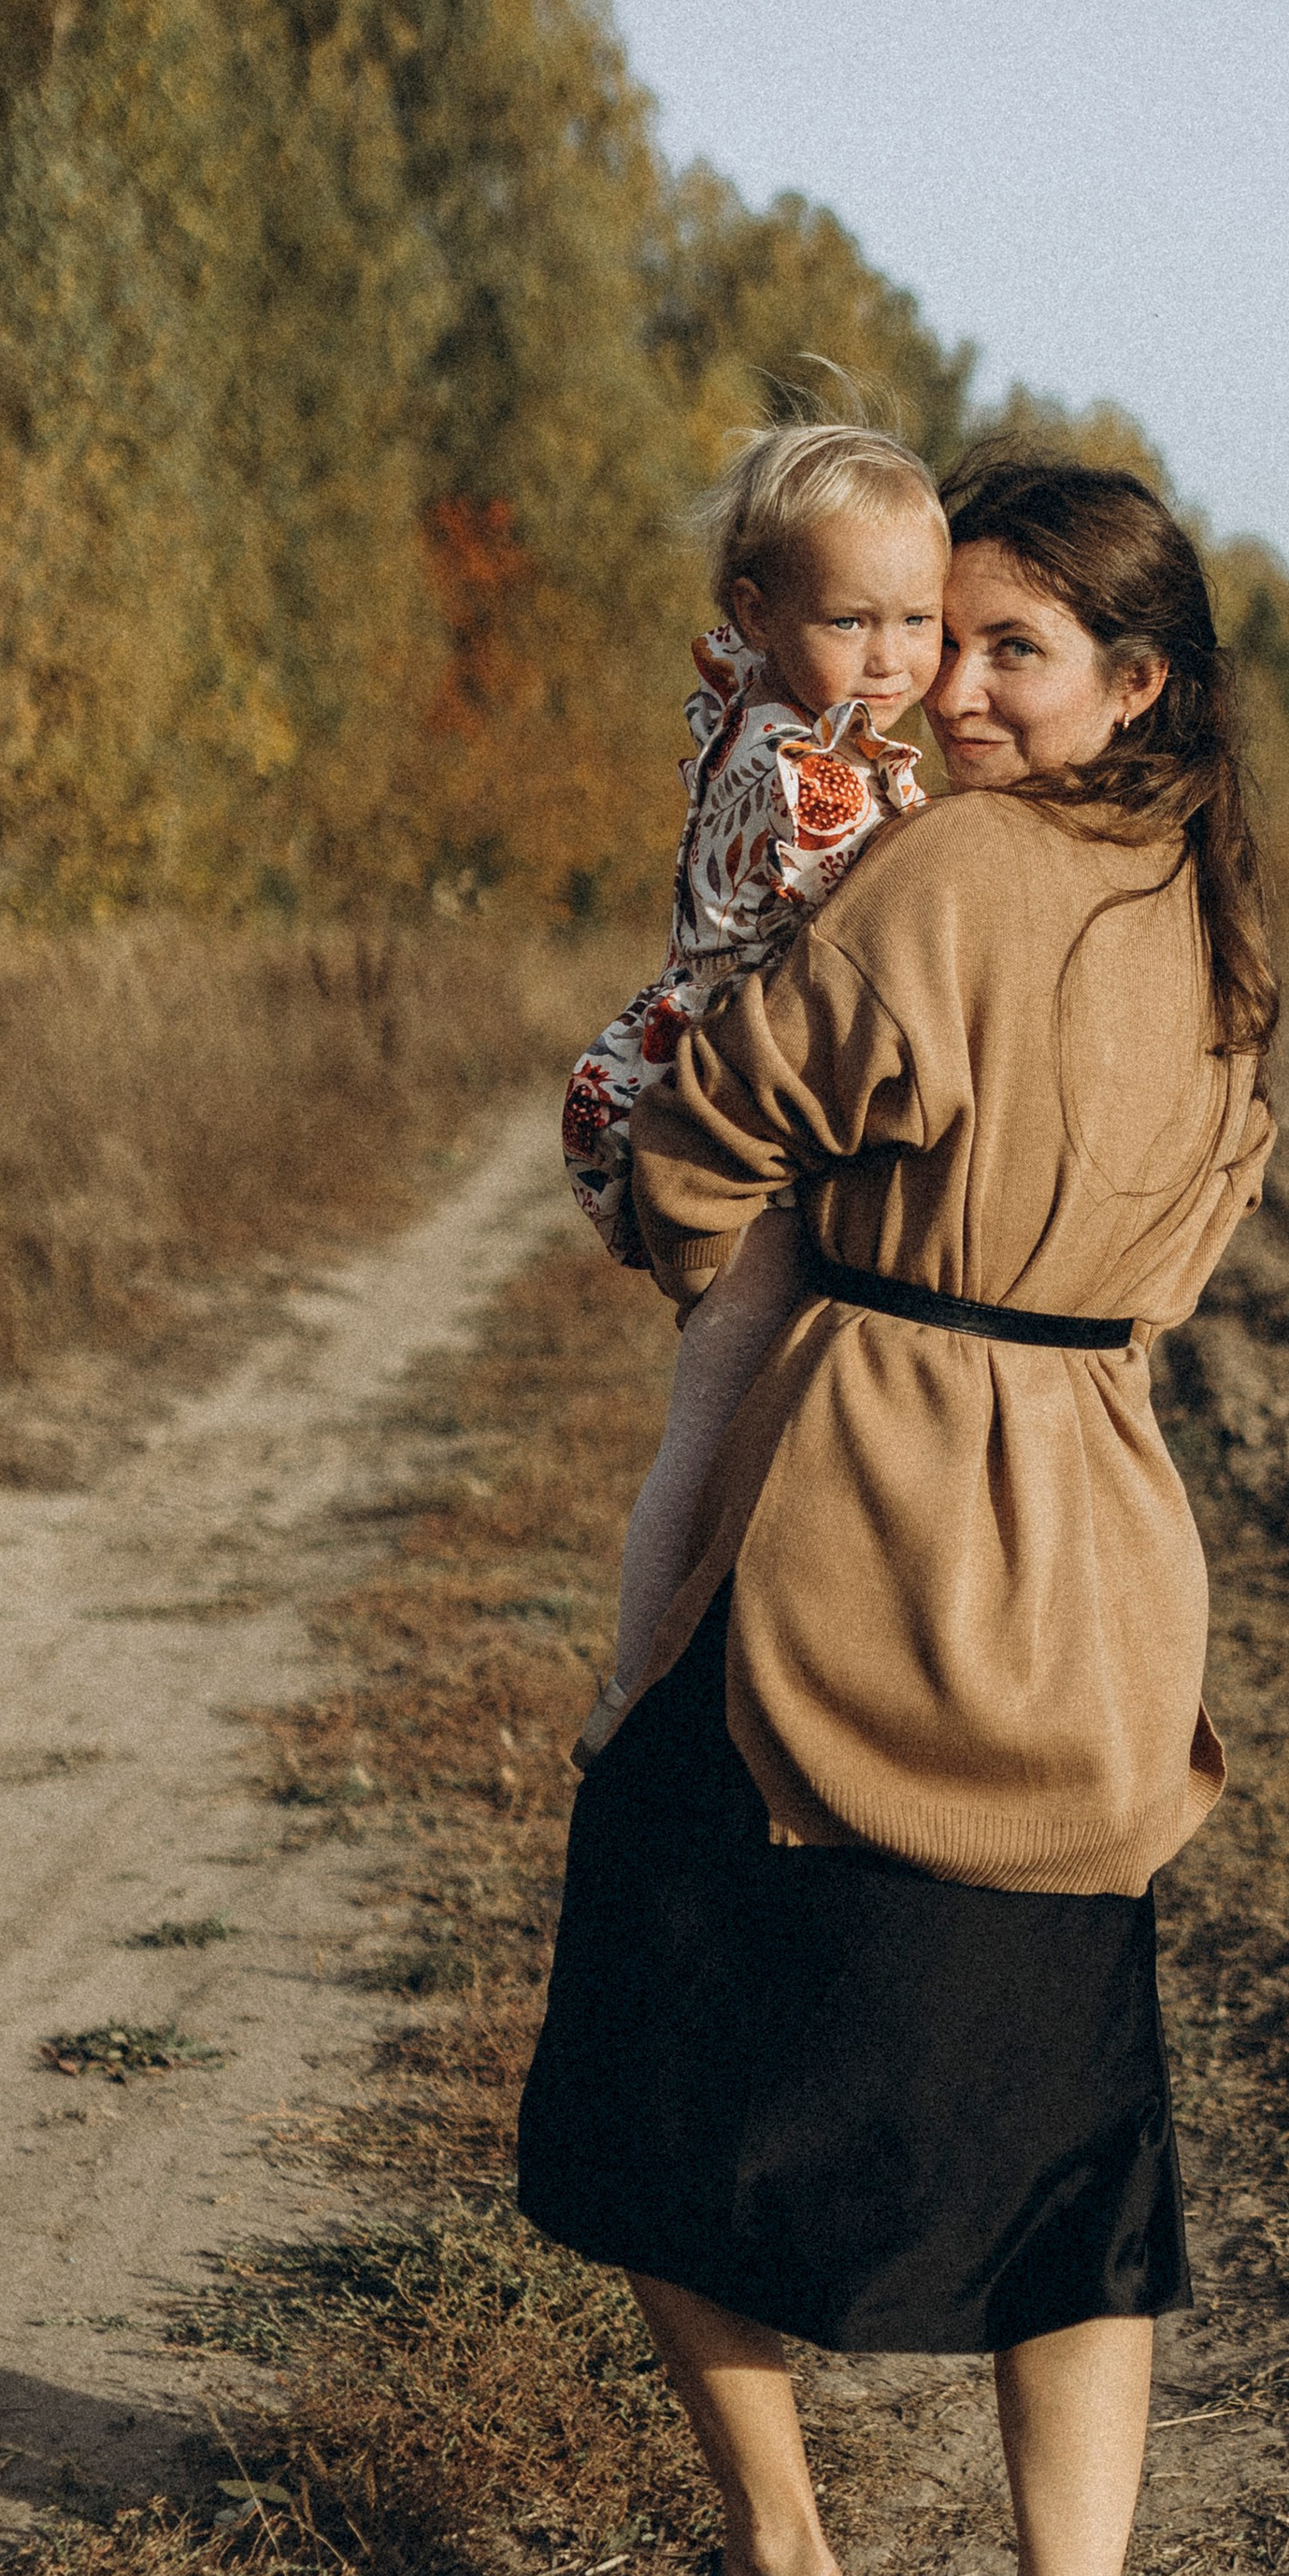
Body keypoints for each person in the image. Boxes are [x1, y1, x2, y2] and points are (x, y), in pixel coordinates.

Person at [516, 446, 1278, 2576]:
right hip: (1098, 1592)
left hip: (871, 1542)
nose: (948, 685)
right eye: (936, 638)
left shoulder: (946, 869)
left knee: (639, 2036)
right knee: (1080, 2167)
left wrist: (651, 1181)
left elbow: (714, 1140)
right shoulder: (1216, 921)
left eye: (1009, 649)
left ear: (1131, 680)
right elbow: (1164, 1252)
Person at [561, 421, 945, 1761]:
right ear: (758, 612)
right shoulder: (810, 781)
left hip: (742, 1085)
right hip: (736, 1113)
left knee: (753, 1403)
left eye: (919, 619)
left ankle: (713, 1670)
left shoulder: (775, 711)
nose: (894, 655)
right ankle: (633, 1687)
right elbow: (905, 922)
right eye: (853, 619)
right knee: (720, 1407)